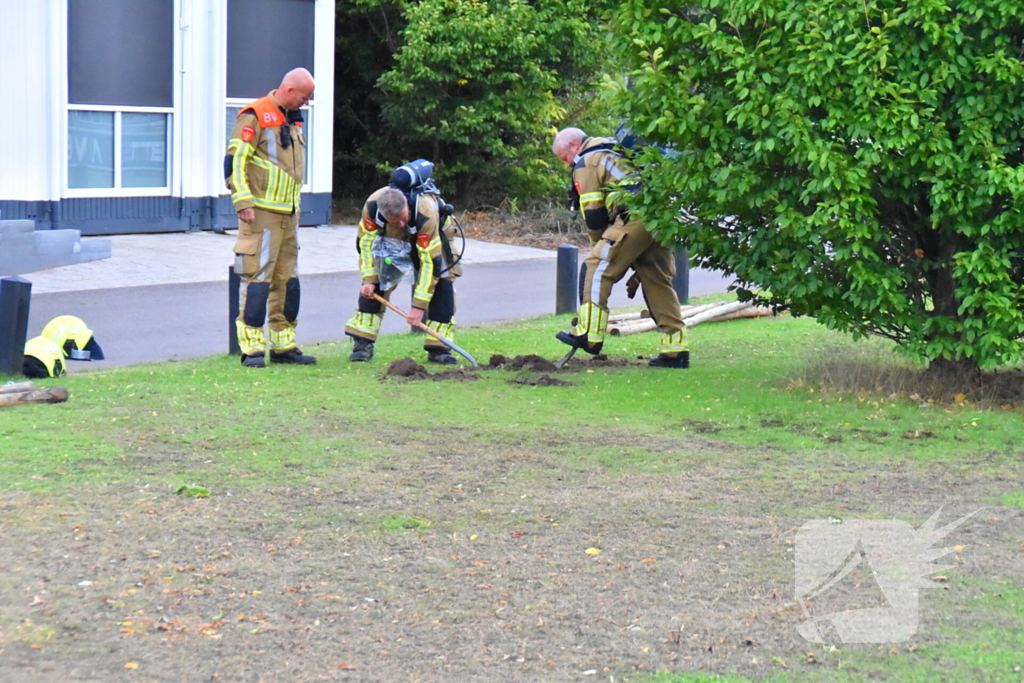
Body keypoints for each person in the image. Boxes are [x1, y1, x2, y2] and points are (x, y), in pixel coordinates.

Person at [552, 127, 689, 368]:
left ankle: (589, 335)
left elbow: (593, 213)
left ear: (574, 146)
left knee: (595, 267)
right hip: (659, 214)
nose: (566, 164)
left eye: (564, 158)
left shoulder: (587, 161)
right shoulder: (614, 150)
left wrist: (600, 247)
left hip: (635, 215)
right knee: (654, 277)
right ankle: (675, 350)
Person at [225, 67, 317, 368]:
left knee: (288, 280)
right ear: (290, 90)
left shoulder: (293, 118)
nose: (306, 103)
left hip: (287, 214)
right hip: (260, 213)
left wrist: (295, 203)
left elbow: (290, 169)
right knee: (257, 278)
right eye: (304, 97)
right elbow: (235, 161)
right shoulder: (254, 115)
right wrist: (242, 201)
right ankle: (251, 348)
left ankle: (283, 345)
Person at [344, 164, 463, 364]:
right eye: (394, 221)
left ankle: (439, 348)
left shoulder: (425, 212)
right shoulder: (372, 207)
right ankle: (362, 343)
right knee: (377, 285)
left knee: (442, 286)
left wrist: (418, 306)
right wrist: (369, 279)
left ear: (407, 206)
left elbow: (429, 263)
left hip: (432, 241)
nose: (400, 224)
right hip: (391, 243)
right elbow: (365, 245)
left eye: (402, 219)